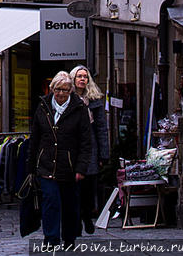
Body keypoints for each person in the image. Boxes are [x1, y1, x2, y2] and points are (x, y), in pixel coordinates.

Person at [27, 71, 92, 249]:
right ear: (52, 89)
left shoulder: (79, 109)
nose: (61, 93)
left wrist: (81, 168)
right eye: (57, 89)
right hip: (46, 165)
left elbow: (86, 142)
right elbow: (35, 138)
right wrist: (31, 166)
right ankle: (51, 239)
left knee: (69, 205)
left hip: (69, 166)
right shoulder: (43, 106)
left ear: (70, 91)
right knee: (50, 201)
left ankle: (69, 238)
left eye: (65, 90)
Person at [70, 65, 110, 235]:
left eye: (85, 76)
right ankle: (77, 220)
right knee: (74, 187)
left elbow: (101, 128)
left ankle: (87, 215)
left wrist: (103, 154)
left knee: (88, 186)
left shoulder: (94, 101)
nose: (82, 79)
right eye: (79, 76)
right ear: (73, 79)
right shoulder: (68, 99)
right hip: (73, 147)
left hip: (91, 146)